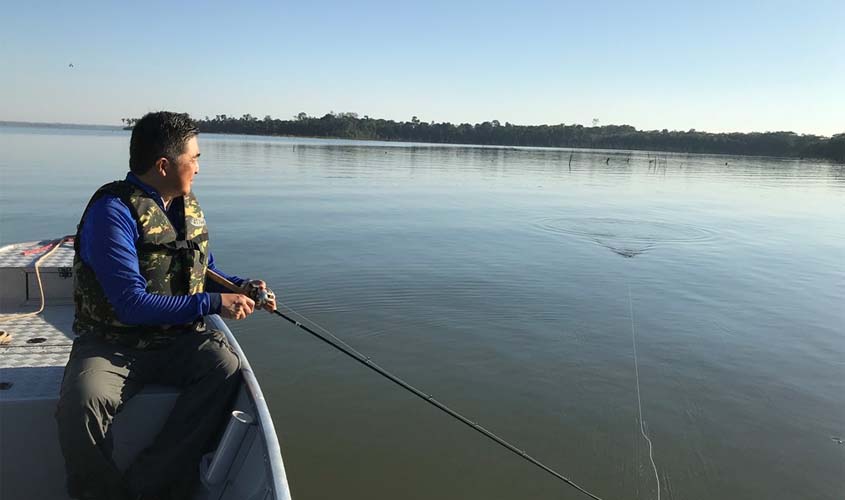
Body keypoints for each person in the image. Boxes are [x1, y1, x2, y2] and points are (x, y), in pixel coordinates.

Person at [55, 111, 276, 500]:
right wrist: (215, 303)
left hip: (177, 340)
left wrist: (243, 287)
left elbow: (203, 269)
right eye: (195, 159)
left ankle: (148, 483)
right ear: (163, 165)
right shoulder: (113, 213)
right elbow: (130, 305)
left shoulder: (183, 205)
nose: (198, 169)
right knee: (83, 401)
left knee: (225, 367)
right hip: (114, 343)